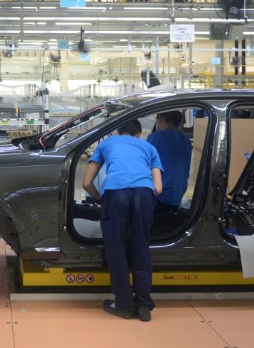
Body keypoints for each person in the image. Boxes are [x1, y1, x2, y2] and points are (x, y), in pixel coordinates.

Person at [82, 119, 163, 322]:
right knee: (140, 248)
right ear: (139, 133)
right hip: (144, 194)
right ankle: (144, 305)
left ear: (118, 131)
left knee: (116, 249)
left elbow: (86, 183)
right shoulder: (149, 147)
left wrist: (101, 198)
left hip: (116, 194)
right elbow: (158, 189)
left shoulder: (107, 144)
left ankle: (124, 305)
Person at [147, 110, 192, 213]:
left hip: (160, 198)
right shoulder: (186, 140)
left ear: (160, 119)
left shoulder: (156, 137)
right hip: (176, 198)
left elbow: (143, 166)